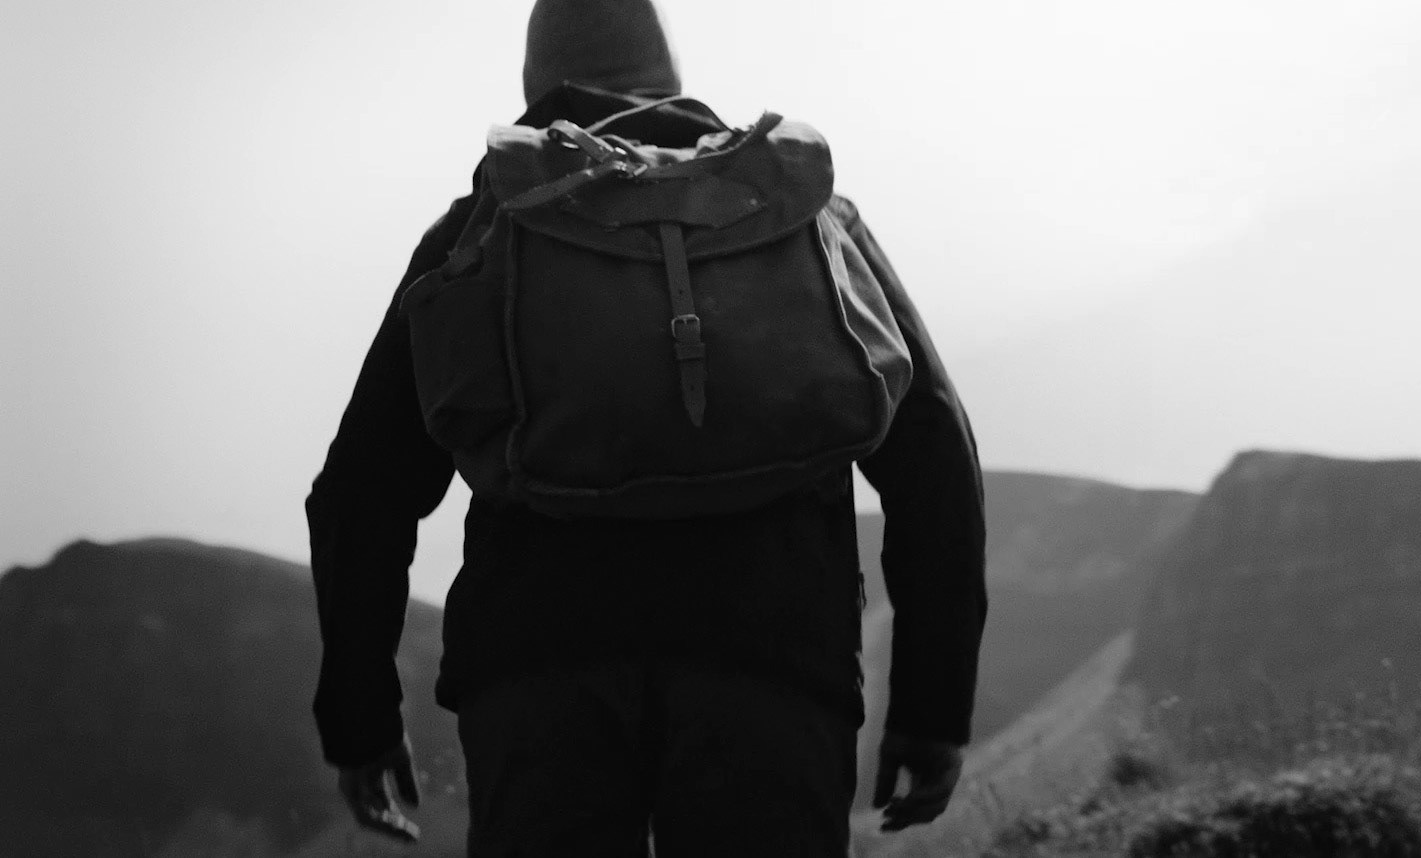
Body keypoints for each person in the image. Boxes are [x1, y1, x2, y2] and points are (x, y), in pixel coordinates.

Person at [304, 1, 988, 854]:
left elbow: (362, 492)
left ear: (535, 84)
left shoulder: (482, 226)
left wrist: (361, 719)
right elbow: (936, 455)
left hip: (542, 681)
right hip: (774, 667)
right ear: (669, 76)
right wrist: (932, 709)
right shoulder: (803, 212)